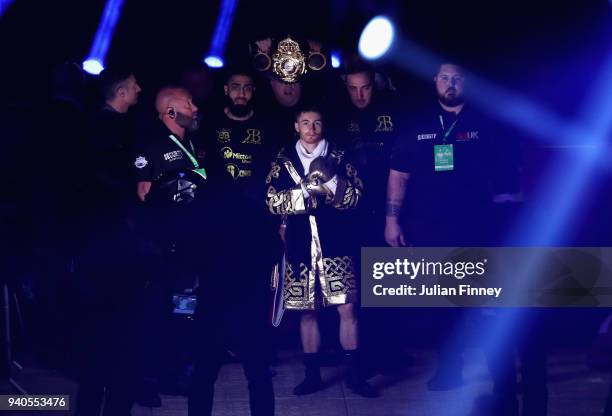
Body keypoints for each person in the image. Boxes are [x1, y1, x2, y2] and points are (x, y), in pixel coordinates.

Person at [385, 63, 542, 415]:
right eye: (445, 78)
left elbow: (508, 176)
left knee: (482, 305)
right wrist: (391, 220)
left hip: (479, 226)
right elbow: (399, 175)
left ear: (464, 83)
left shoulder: (485, 124)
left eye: (457, 78)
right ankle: (449, 369)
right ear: (435, 81)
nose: (451, 84)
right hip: (430, 227)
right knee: (443, 303)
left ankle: (496, 371)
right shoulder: (418, 122)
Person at [265, 104, 376, 397]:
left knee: (348, 307)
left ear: (322, 125)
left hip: (337, 242)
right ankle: (311, 374)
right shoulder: (283, 160)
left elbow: (356, 197)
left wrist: (330, 181)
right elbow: (271, 201)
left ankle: (355, 374)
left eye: (316, 123)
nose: (311, 129)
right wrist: (305, 193)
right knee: (306, 312)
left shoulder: (339, 157)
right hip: (300, 244)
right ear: (296, 126)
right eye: (305, 123)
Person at [187, 68, 276, 416]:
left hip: (250, 265)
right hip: (216, 270)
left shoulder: (267, 128)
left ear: (253, 92)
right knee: (206, 362)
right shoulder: (208, 129)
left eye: (246, 88)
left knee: (256, 363)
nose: (240, 93)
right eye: (235, 88)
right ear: (226, 90)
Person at [75, 66, 142, 416]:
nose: (139, 89)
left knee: (110, 335)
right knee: (113, 333)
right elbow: (103, 176)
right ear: (120, 91)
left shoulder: (106, 127)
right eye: (134, 85)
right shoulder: (106, 128)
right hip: (109, 243)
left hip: (108, 240)